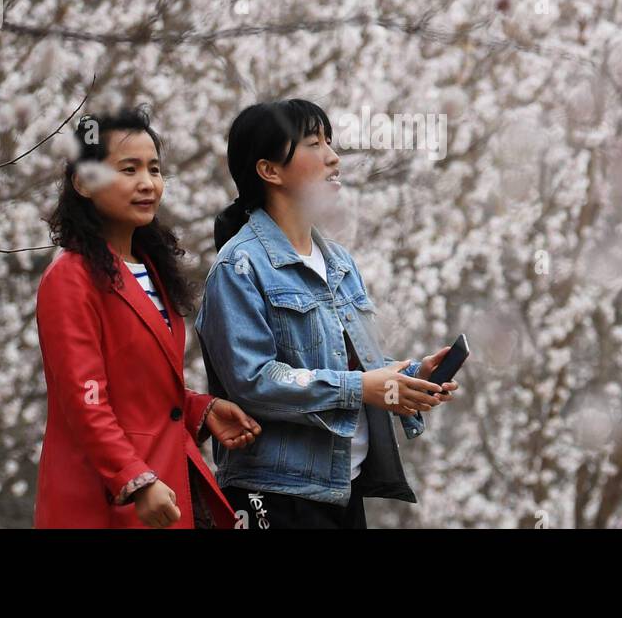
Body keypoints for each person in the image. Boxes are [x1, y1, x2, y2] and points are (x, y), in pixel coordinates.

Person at [197, 98, 459, 529]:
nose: (333, 158)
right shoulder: (239, 267)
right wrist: (362, 387)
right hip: (275, 494)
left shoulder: (338, 262)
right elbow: (253, 381)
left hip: (343, 487)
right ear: (269, 171)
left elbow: (352, 368)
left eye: (330, 143)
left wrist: (409, 377)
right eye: (314, 144)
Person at [34, 105, 260, 528]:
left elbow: (140, 391)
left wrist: (199, 410)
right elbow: (86, 401)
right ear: (83, 182)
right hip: (107, 498)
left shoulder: (151, 269)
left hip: (169, 481)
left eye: (154, 170)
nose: (147, 183)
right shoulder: (69, 278)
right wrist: (135, 480)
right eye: (128, 169)